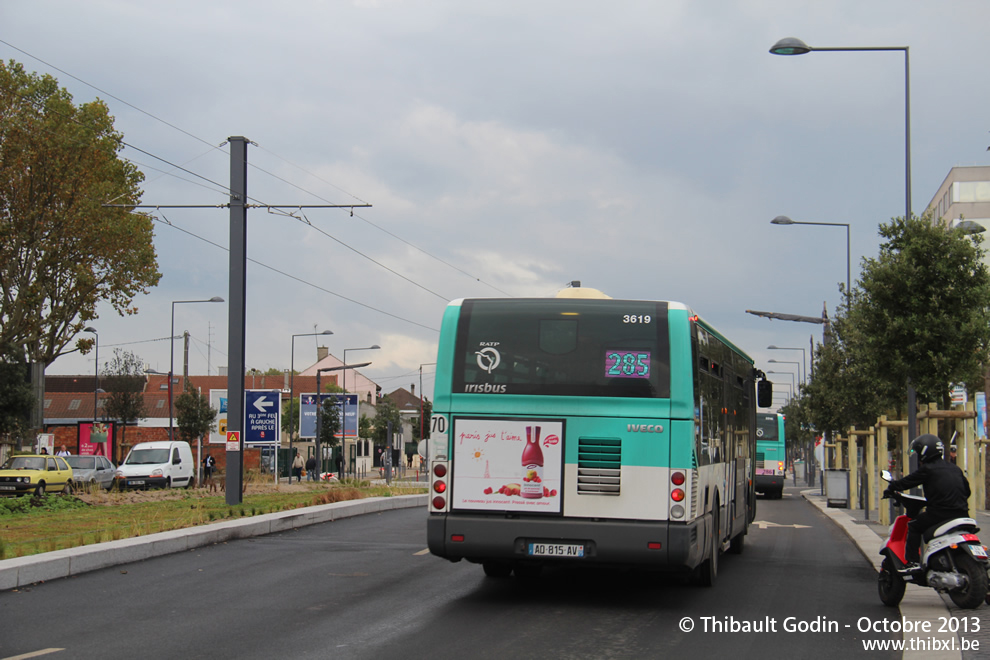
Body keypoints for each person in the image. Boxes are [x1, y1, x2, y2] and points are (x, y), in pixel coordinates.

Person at [884, 434, 971, 571]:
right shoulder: (955, 469)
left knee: (914, 526)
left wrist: (892, 487)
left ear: (924, 452)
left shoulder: (927, 469)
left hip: (940, 514)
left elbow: (906, 482)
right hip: (962, 513)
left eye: (918, 453)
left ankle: (912, 562)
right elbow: (967, 491)